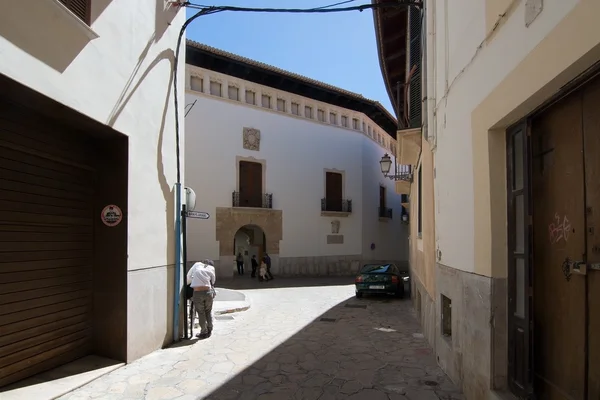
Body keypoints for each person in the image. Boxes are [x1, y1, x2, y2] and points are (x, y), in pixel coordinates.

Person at [186, 259, 216, 339]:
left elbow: (188, 277)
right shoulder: (211, 268)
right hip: (208, 292)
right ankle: (210, 328)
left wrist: (195, 280)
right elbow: (213, 281)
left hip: (198, 292)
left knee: (201, 312)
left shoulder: (196, 265)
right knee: (208, 311)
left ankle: (204, 332)